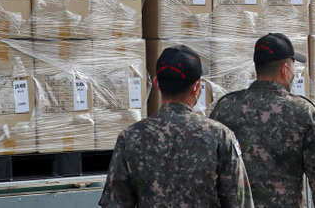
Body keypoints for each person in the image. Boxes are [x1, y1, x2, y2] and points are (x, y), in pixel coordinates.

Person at [99, 45, 254, 208]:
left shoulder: (130, 137)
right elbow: (239, 203)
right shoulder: (220, 136)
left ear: (157, 83)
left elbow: (115, 203)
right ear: (196, 87)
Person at [211, 33, 315, 208]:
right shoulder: (303, 112)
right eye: (293, 67)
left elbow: (209, 171)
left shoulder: (225, 107)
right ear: (284, 70)